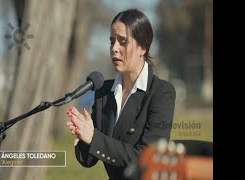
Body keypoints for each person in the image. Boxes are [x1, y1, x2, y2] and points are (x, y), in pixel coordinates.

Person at [65, 8, 176, 180]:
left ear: (143, 47)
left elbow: (148, 159)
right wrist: (83, 139)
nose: (114, 48)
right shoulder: (103, 91)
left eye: (123, 41)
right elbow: (89, 160)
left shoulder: (162, 92)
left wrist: (94, 138)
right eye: (112, 41)